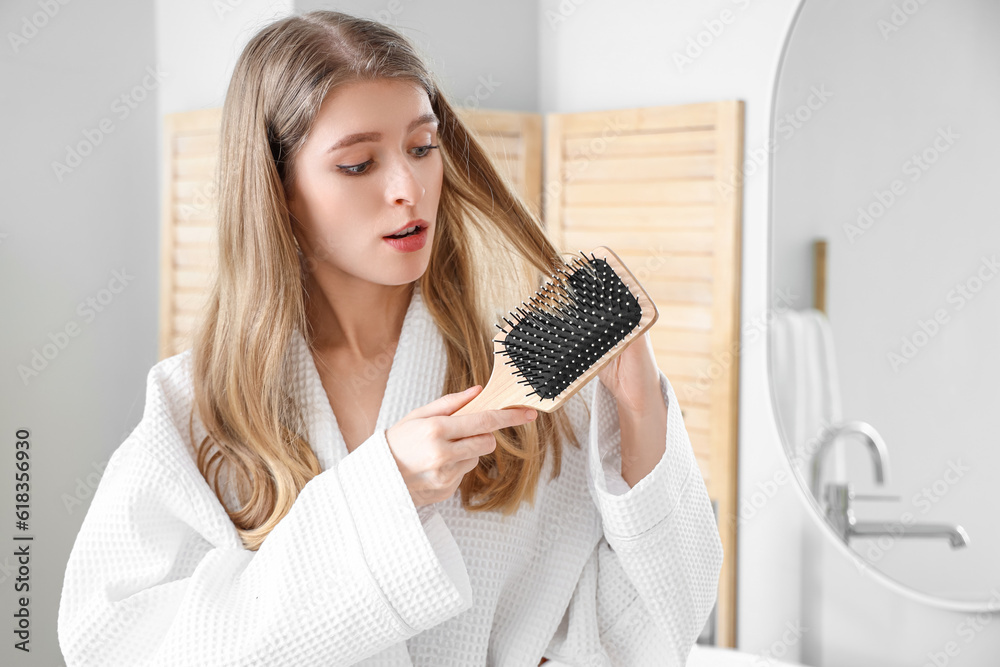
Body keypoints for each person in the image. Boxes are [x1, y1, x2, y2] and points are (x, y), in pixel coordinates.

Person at [56, 10, 723, 667]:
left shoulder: (539, 385)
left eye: (422, 147)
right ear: (279, 187)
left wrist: (640, 407)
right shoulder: (194, 411)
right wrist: (385, 495)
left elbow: (649, 634)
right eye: (357, 165)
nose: (407, 188)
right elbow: (118, 647)